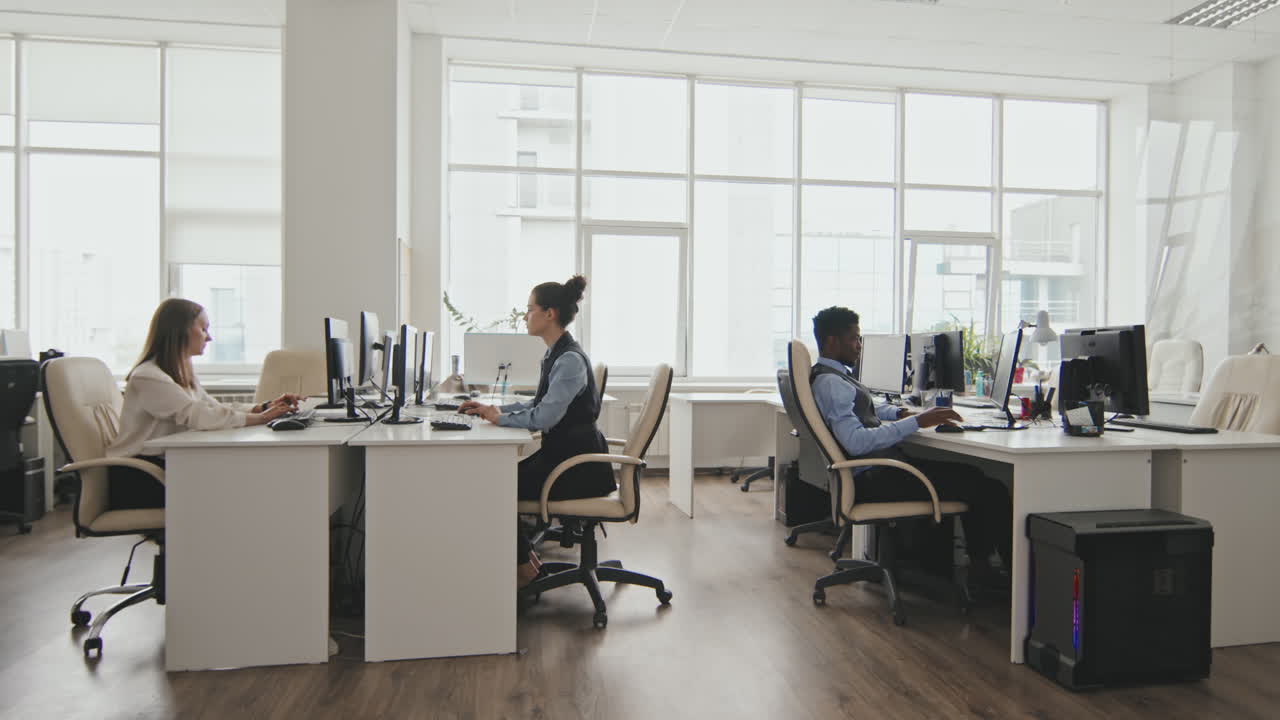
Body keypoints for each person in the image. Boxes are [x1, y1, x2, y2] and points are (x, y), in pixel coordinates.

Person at [808, 306, 1012, 586]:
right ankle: (991, 574)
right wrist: (918, 422)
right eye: (854, 338)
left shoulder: (829, 377)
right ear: (832, 341)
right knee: (989, 488)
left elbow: (865, 410)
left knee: (974, 477)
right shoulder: (833, 383)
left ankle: (980, 566)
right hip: (877, 479)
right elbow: (855, 442)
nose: (859, 346)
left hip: (874, 474)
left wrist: (902, 414)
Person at [460, 275, 612, 588]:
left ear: (549, 314)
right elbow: (539, 402)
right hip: (563, 457)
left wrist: (498, 418)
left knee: (495, 487)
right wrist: (498, 410)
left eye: (529, 310)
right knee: (497, 481)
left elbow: (544, 417)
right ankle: (527, 561)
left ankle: (523, 569)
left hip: (577, 467)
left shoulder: (569, 360)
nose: (525, 316)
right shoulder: (555, 353)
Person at [105, 298, 302, 510]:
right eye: (204, 328)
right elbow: (198, 416)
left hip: (165, 467)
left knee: (247, 481)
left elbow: (212, 407)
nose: (209, 337)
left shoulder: (181, 373)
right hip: (139, 478)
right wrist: (262, 418)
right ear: (180, 330)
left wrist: (264, 407)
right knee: (242, 487)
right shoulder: (148, 376)